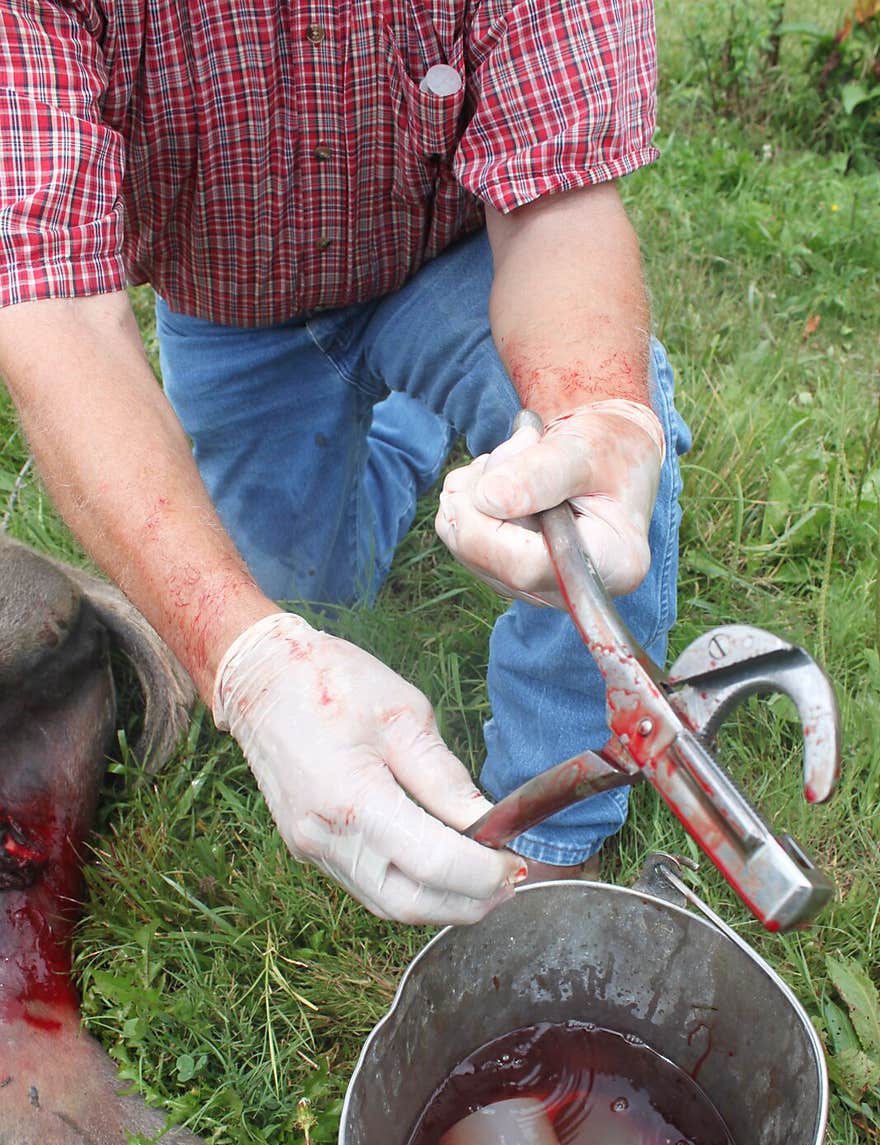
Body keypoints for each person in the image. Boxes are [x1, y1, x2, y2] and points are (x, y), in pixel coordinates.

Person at [0, 1, 690, 927]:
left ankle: (553, 834)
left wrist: (594, 410)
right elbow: (61, 317)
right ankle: (404, 433)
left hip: (460, 259)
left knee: (597, 496)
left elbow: (555, 202)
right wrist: (246, 660)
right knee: (305, 596)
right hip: (234, 312)